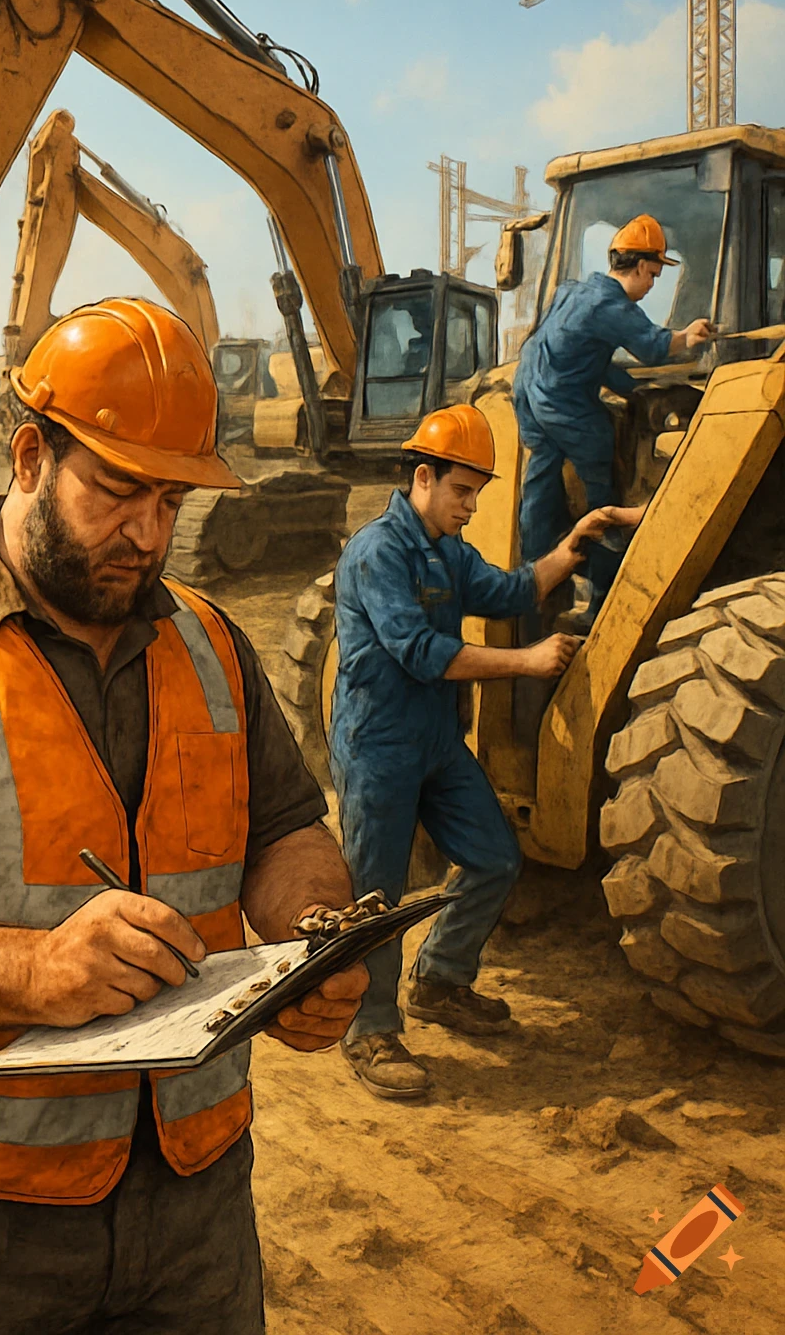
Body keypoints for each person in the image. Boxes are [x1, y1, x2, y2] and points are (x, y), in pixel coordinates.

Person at [0, 297, 368, 1335]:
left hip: (191, 1206)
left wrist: (315, 939)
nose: (148, 532)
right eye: (120, 490)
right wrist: (33, 974)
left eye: (171, 500)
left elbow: (286, 832)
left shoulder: (213, 645)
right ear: (31, 456)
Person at [330, 404, 615, 1101]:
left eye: (478, 494)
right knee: (376, 897)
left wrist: (573, 544)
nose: (470, 506)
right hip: (378, 745)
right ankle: (368, 1029)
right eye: (462, 491)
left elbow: (512, 588)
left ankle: (440, 981)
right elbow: (421, 653)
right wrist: (526, 662)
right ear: (422, 478)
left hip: (434, 741)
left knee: (494, 857)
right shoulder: (378, 552)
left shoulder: (448, 553)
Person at [513, 213, 714, 618]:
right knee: (603, 457)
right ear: (640, 266)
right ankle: (605, 554)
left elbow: (586, 356)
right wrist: (688, 335)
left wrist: (631, 389)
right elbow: (655, 348)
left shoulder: (574, 291)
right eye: (655, 275)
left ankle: (533, 576)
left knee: (542, 481)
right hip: (561, 402)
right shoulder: (612, 304)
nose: (653, 284)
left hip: (529, 393)